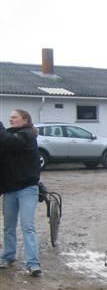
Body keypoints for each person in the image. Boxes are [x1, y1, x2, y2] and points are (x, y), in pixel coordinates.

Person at [0, 109, 42, 276]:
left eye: (14, 117)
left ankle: (33, 263)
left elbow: (12, 142)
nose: (11, 120)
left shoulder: (28, 135)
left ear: (25, 119)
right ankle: (8, 256)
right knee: (8, 227)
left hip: (27, 188)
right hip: (10, 189)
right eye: (10, 117)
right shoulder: (8, 135)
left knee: (27, 226)